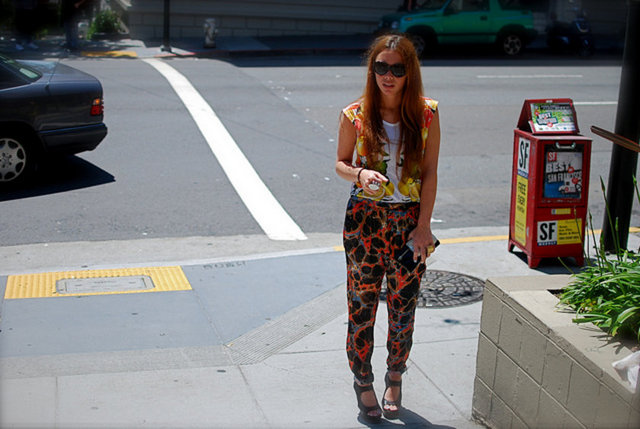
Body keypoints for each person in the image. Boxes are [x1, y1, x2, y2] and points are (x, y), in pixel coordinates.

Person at [335, 33, 440, 423]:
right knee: (361, 307)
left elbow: (430, 173)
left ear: (409, 72)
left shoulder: (427, 114)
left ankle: (394, 376)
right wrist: (360, 174)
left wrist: (423, 227)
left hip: (409, 224)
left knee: (404, 307)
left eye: (397, 68)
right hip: (365, 222)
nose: (388, 75)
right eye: (381, 67)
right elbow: (341, 163)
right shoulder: (355, 114)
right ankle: (362, 380)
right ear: (372, 69)